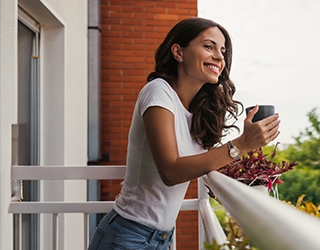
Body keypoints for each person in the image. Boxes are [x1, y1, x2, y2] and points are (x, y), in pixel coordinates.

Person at [88, 17, 280, 250]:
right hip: (127, 236)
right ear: (178, 52)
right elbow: (171, 171)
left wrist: (254, 176)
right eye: (209, 46)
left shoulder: (197, 109)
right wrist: (241, 144)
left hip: (160, 237)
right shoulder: (158, 92)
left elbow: (201, 163)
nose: (219, 56)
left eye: (223, 50)